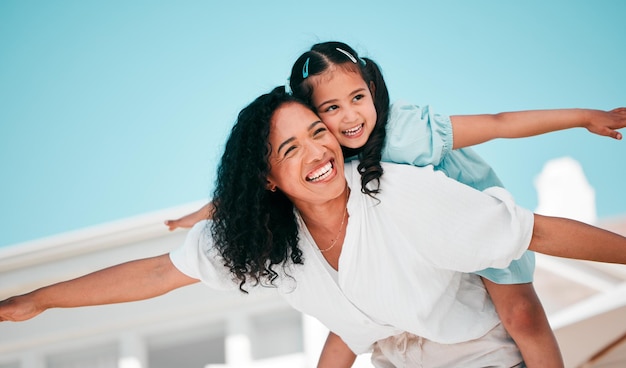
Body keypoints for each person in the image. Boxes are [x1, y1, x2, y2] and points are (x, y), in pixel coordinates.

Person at [3, 87, 626, 367]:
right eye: (288, 148)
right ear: (269, 179)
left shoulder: (396, 193)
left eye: (318, 133)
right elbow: (157, 273)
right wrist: (38, 300)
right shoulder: (270, 241)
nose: (315, 153)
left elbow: (536, 232)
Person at [165, 41, 626, 368]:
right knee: (356, 309)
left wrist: (584, 117)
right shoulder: (327, 156)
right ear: (312, 116)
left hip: (473, 218)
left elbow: (498, 122)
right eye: (330, 109)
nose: (349, 118)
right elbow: (255, 185)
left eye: (358, 98)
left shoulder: (405, 131)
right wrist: (205, 213)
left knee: (521, 315)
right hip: (410, 249)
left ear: (372, 90)